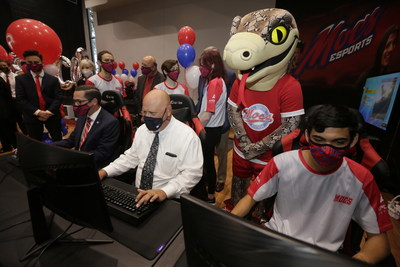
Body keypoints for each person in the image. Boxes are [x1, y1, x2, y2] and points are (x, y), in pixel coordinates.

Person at [231, 104, 392, 265]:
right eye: (319, 140)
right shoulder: (282, 163)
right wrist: (225, 226)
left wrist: (356, 261)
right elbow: (250, 198)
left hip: (323, 258)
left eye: (338, 142)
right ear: (307, 135)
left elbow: (379, 241)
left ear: (353, 140)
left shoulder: (362, 179)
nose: (327, 150)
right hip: (275, 244)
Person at [98, 89, 203, 206]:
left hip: (168, 199)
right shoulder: (142, 130)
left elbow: (192, 174)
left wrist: (164, 192)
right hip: (138, 194)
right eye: (144, 112)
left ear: (168, 111)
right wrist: (105, 171)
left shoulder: (187, 137)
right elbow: (131, 158)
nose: (147, 117)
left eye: (152, 113)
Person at [52, 85, 120, 169]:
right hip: (80, 159)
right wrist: (51, 146)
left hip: (95, 165)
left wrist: (75, 159)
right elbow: (72, 140)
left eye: (79, 102)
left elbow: (102, 153)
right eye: (74, 101)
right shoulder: (83, 116)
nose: (76, 105)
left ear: (94, 101)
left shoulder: (110, 122)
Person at [196, 48, 227, 203]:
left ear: (213, 66)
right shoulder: (214, 80)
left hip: (210, 129)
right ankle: (209, 195)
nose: (200, 68)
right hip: (212, 128)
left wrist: (194, 130)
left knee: (207, 162)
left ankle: (209, 196)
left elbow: (208, 113)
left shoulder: (215, 82)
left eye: (203, 65)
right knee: (207, 162)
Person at [15, 49, 63, 141]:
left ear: (42, 62)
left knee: (58, 141)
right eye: (29, 62)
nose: (33, 65)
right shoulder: (20, 79)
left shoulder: (53, 79)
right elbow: (21, 99)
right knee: (35, 143)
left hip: (52, 116)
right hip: (32, 116)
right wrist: (38, 112)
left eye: (36, 62)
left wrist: (48, 112)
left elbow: (58, 98)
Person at [355, 24, 400, 106]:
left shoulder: (391, 76)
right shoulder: (366, 77)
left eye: (394, 43)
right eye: (387, 45)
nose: (391, 49)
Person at [0, 59, 27, 135]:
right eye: (1, 66)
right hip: (5, 103)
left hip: (16, 101)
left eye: (4, 65)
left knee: (20, 119)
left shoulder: (16, 77)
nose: (3, 67)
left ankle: (26, 135)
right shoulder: (0, 77)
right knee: (11, 121)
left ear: (9, 66)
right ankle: (15, 139)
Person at [0, 77, 16, 152]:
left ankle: (9, 148)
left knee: (5, 132)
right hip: (7, 109)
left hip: (4, 111)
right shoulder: (1, 79)